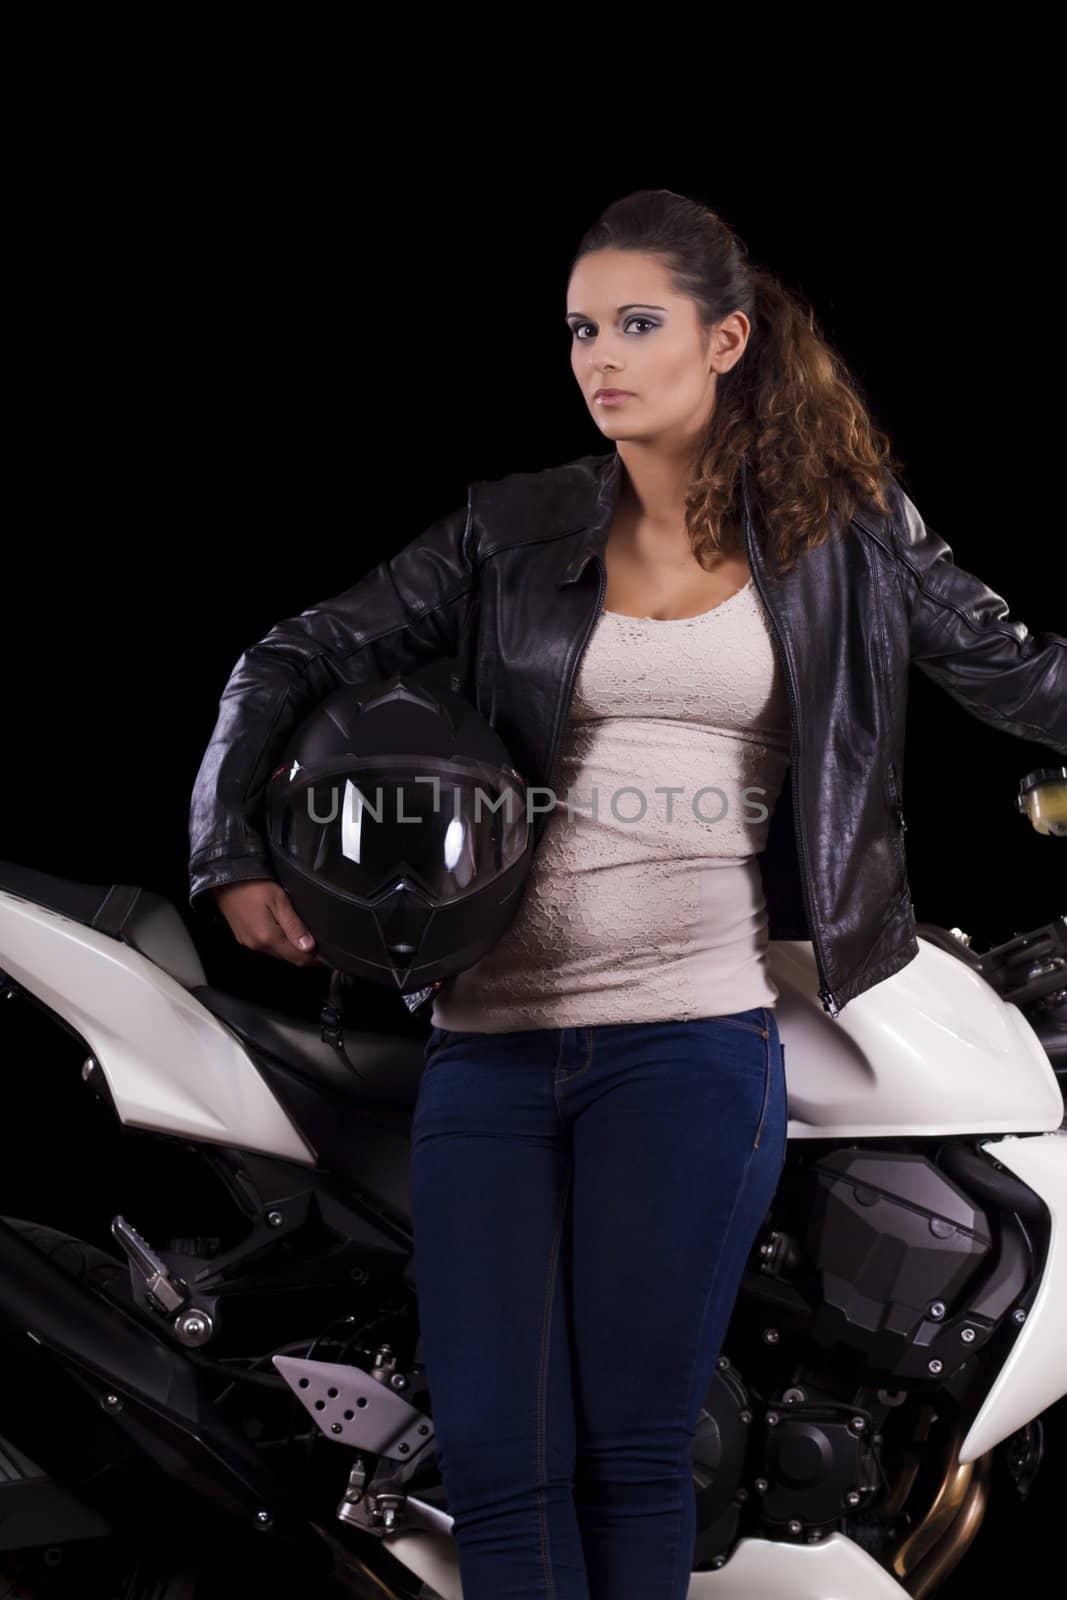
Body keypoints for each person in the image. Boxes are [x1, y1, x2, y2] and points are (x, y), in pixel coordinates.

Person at [191, 189, 1067, 1598]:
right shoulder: (513, 529)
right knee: (499, 1468)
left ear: (727, 341)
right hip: (489, 1052)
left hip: (691, 1047)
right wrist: (227, 853)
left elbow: (1023, 672)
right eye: (582, 328)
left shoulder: (846, 531)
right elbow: (290, 655)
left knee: (634, 1458)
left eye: (637, 324)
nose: (599, 354)